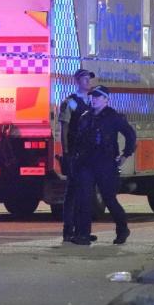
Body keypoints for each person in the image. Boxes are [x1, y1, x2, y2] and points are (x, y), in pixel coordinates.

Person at [70, 85, 136, 245]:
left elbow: (130, 134)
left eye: (98, 97)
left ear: (106, 99)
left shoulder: (113, 117)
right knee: (84, 199)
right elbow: (77, 139)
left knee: (109, 199)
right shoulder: (86, 116)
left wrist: (125, 155)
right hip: (86, 163)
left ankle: (122, 229)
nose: (94, 99)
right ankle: (83, 235)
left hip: (106, 164)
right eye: (93, 96)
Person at [58, 69, 96, 243]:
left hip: (88, 152)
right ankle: (68, 230)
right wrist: (66, 153)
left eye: (89, 79)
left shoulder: (92, 101)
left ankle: (82, 230)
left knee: (85, 192)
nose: (88, 82)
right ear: (77, 81)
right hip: (74, 152)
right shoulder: (71, 102)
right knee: (72, 192)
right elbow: (64, 128)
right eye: (85, 79)